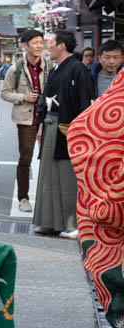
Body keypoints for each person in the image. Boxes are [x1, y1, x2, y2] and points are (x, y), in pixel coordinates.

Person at [33, 30, 95, 238]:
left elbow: (84, 102)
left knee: (68, 175)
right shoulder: (56, 68)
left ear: (61, 46)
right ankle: (50, 221)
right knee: (49, 175)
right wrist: (41, 124)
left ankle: (72, 224)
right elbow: (45, 98)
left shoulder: (77, 68)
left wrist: (80, 131)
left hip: (69, 128)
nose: (46, 46)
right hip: (51, 123)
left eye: (50, 42)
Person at [0, 29, 53, 213]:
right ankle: (23, 198)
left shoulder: (50, 66)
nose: (39, 46)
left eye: (41, 42)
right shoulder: (15, 69)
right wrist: (23, 96)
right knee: (26, 158)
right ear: (25, 46)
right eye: (35, 42)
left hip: (48, 118)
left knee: (51, 158)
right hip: (26, 119)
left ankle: (49, 198)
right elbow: (4, 93)